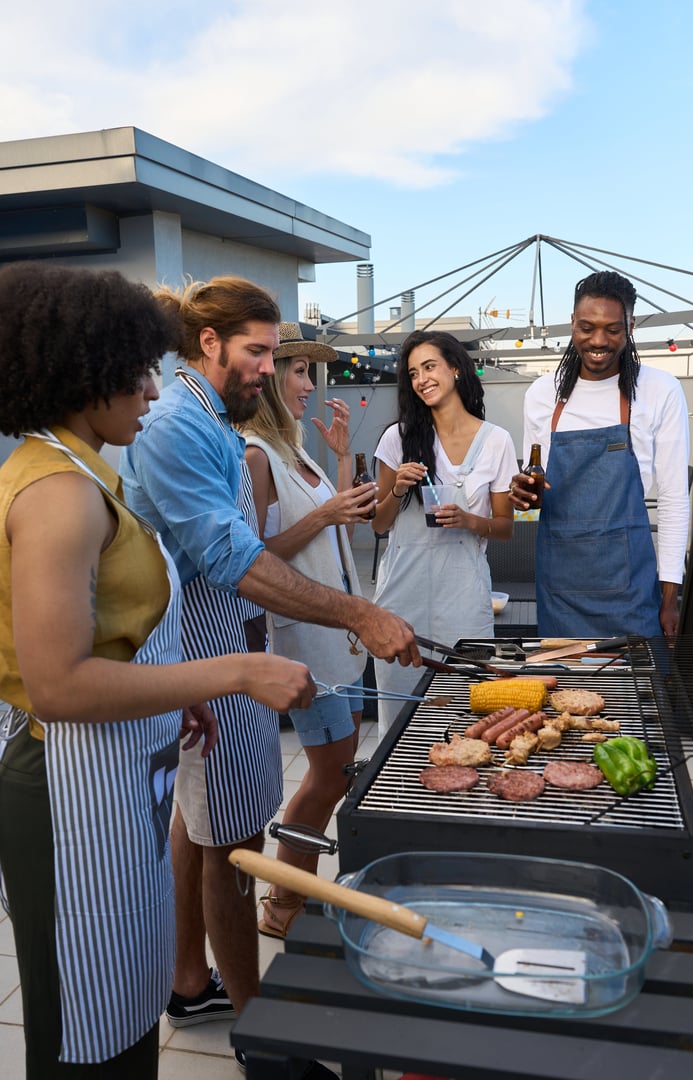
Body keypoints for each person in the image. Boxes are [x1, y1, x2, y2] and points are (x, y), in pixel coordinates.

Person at [0, 263, 316, 1080]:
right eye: (136, 371)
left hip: (112, 777)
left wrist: (166, 703)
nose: (152, 389)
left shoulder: (87, 473)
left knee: (129, 1009)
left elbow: (112, 635)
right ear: (82, 371)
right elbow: (60, 684)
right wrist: (232, 674)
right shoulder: (57, 495)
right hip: (67, 794)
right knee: (89, 1033)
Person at [119, 278, 419, 1062]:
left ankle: (192, 979)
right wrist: (359, 614)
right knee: (234, 840)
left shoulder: (215, 421)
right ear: (209, 343)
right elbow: (232, 557)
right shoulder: (178, 424)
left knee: (208, 822)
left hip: (229, 654)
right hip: (208, 657)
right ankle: (262, 1034)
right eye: (258, 351)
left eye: (272, 351)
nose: (268, 366)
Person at [242, 322, 373, 937]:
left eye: (307, 373)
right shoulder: (255, 454)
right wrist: (325, 510)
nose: (307, 385)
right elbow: (257, 555)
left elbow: (335, 531)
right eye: (298, 372)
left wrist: (344, 462)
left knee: (338, 768)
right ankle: (282, 903)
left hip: (335, 633)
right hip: (302, 640)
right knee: (327, 774)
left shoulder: (294, 448)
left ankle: (291, 891)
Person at [510, 270, 690, 641]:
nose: (598, 340)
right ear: (572, 324)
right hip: (560, 591)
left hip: (632, 591)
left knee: (637, 695)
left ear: (631, 325)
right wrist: (524, 497)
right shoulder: (543, 395)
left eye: (612, 329)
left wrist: (670, 596)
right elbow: (533, 502)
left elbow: (674, 498)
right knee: (565, 696)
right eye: (586, 327)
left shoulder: (659, 390)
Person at [371, 330, 517, 740]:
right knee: (401, 721)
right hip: (402, 595)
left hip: (464, 598)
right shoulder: (398, 438)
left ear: (455, 368)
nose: (421, 379)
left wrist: (471, 521)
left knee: (467, 712)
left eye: (429, 366)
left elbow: (505, 527)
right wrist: (398, 488)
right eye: (413, 373)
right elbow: (379, 525)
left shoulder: (496, 441)